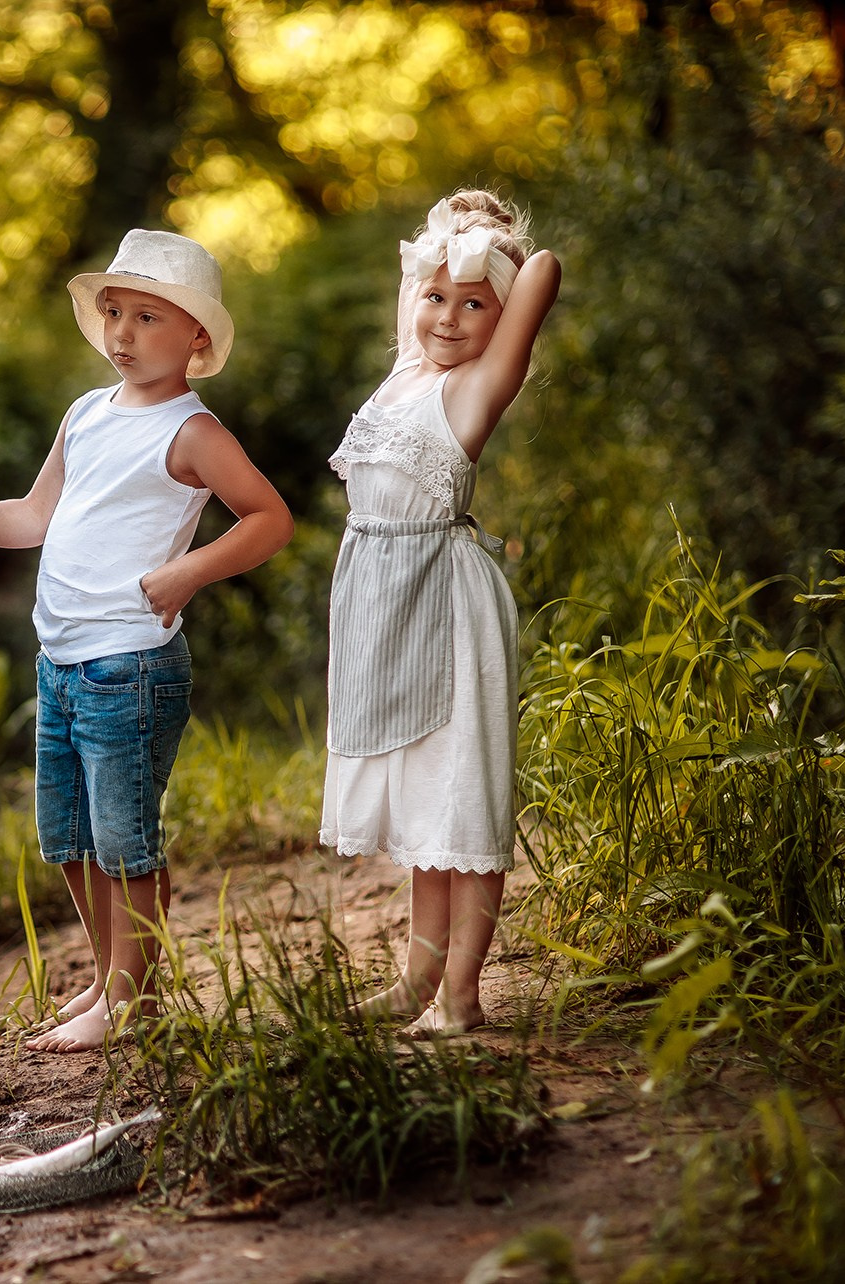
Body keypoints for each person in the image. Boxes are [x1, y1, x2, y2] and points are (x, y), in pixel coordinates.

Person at [0, 229, 292, 1052]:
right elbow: (33, 517)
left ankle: (131, 1000)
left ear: (196, 336)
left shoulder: (192, 432)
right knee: (71, 840)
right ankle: (114, 981)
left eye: (147, 317)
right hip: (62, 665)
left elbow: (269, 519)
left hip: (131, 666)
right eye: (114, 312)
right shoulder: (86, 415)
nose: (121, 332)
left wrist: (188, 573)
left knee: (124, 845)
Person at [320, 190, 561, 1036]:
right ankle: (416, 978)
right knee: (425, 810)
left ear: (500, 322)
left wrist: (478, 242)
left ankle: (460, 993)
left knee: (461, 799)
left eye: (473, 305)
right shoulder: (405, 375)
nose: (451, 318)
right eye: (437, 299)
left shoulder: (477, 387)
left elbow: (543, 271)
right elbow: (413, 284)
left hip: (445, 602)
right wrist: (437, 254)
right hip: (380, 608)